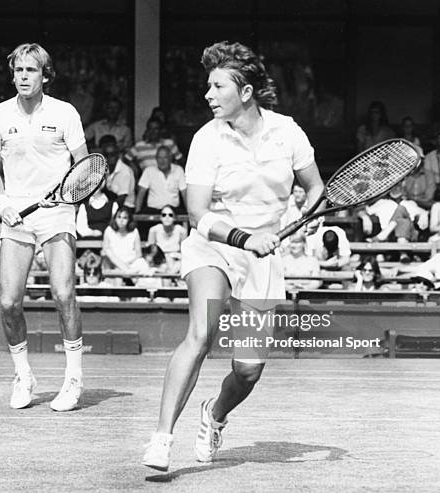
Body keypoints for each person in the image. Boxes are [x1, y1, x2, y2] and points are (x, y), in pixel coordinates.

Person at [142, 41, 324, 471]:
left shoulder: (288, 132)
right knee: (201, 333)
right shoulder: (207, 138)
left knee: (247, 372)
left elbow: (316, 188)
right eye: (208, 85)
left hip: (263, 260)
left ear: (245, 92)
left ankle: (214, 415)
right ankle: (161, 440)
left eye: (217, 85)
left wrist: (306, 219)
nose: (208, 93)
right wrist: (245, 239)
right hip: (215, 245)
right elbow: (197, 212)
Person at [0, 42, 88, 412]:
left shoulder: (65, 113)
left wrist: (67, 199)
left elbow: (84, 165)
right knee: (8, 302)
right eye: (18, 70)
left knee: (63, 294)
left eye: (31, 70)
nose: (23, 77)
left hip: (57, 213)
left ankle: (73, 379)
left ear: (45, 75)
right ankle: (24, 375)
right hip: (16, 215)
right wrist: (1, 203)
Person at [135, 146, 187, 214]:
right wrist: (136, 214)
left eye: (165, 157)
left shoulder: (178, 170)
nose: (162, 161)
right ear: (156, 159)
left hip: (173, 211)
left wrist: (189, 212)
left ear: (170, 159)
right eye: (159, 157)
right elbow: (141, 193)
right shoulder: (148, 171)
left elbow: (184, 193)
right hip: (153, 210)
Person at [101, 206, 148, 276]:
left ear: (129, 220)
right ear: (115, 218)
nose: (121, 220)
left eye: (125, 218)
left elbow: (139, 254)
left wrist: (127, 263)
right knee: (108, 252)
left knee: (142, 263)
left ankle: (134, 277)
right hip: (113, 262)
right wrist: (121, 265)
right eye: (119, 217)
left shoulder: (134, 231)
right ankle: (127, 272)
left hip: (131, 262)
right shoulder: (109, 230)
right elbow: (105, 251)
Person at [147, 205, 187, 274]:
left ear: (175, 218)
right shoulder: (154, 230)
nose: (167, 217)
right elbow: (151, 252)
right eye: (164, 215)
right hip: (159, 262)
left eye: (170, 215)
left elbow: (184, 252)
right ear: (160, 217)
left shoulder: (181, 231)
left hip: (176, 261)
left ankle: (170, 275)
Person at [100, 135, 136, 209]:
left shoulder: (125, 171)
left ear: (118, 155)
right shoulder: (103, 168)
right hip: (110, 203)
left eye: (112, 154)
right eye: (107, 155)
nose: (109, 157)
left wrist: (107, 210)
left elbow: (122, 199)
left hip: (125, 207)